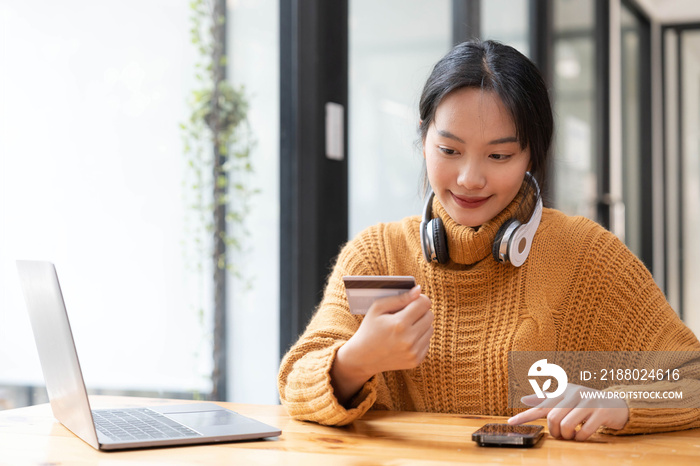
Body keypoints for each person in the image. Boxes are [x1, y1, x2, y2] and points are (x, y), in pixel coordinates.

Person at [277, 40, 700, 441]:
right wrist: (357, 360)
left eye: (499, 156)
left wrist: (620, 402)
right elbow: (296, 382)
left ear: (531, 154)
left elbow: (691, 376)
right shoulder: (378, 252)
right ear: (423, 139)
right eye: (449, 150)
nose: (470, 179)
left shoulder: (586, 253)